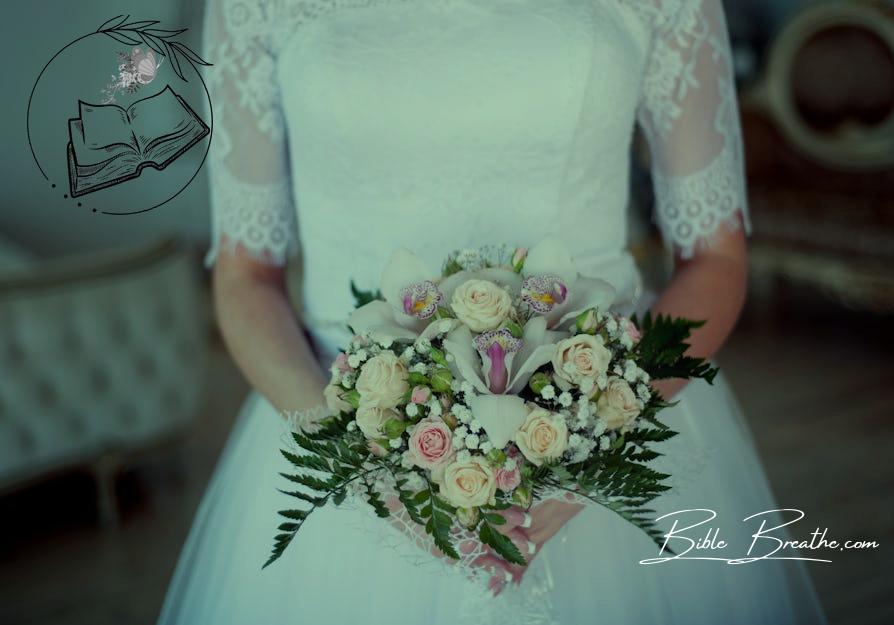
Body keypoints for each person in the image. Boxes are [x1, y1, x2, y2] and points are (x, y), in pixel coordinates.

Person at [158, 0, 827, 623]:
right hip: (340, 438)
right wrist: (365, 463)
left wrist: (592, 444)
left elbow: (716, 260)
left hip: (608, 430)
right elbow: (244, 279)